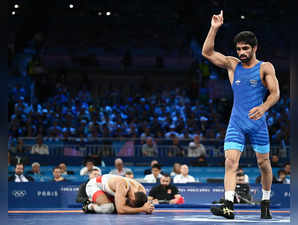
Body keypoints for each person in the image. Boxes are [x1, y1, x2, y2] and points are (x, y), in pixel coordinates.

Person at [202, 10, 280, 219]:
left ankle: (265, 202)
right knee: (230, 162)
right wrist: (214, 28)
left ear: (255, 48)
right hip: (236, 121)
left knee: (263, 164)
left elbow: (275, 93)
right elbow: (207, 53)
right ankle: (228, 205)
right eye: (239, 49)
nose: (242, 52)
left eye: (246, 48)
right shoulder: (232, 64)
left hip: (257, 122)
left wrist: (263, 108)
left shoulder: (265, 67)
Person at [85, 174, 154, 214]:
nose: (129, 205)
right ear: (132, 198)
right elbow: (120, 210)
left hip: (112, 189)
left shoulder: (141, 190)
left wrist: (148, 207)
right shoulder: (122, 185)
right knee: (109, 208)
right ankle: (90, 206)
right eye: (130, 203)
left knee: (122, 206)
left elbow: (146, 205)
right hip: (94, 185)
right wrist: (143, 209)